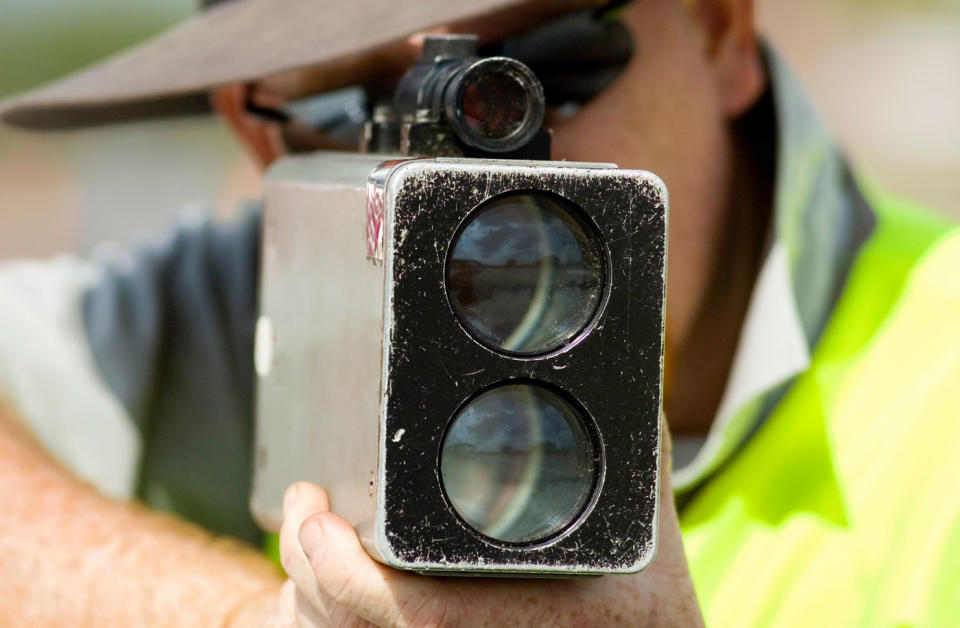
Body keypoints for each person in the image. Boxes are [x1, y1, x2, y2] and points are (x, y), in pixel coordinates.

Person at [1, 0, 958, 626]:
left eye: (544, 71)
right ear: (259, 133)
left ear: (719, 30)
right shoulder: (254, 299)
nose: (469, 177)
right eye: (351, 112)